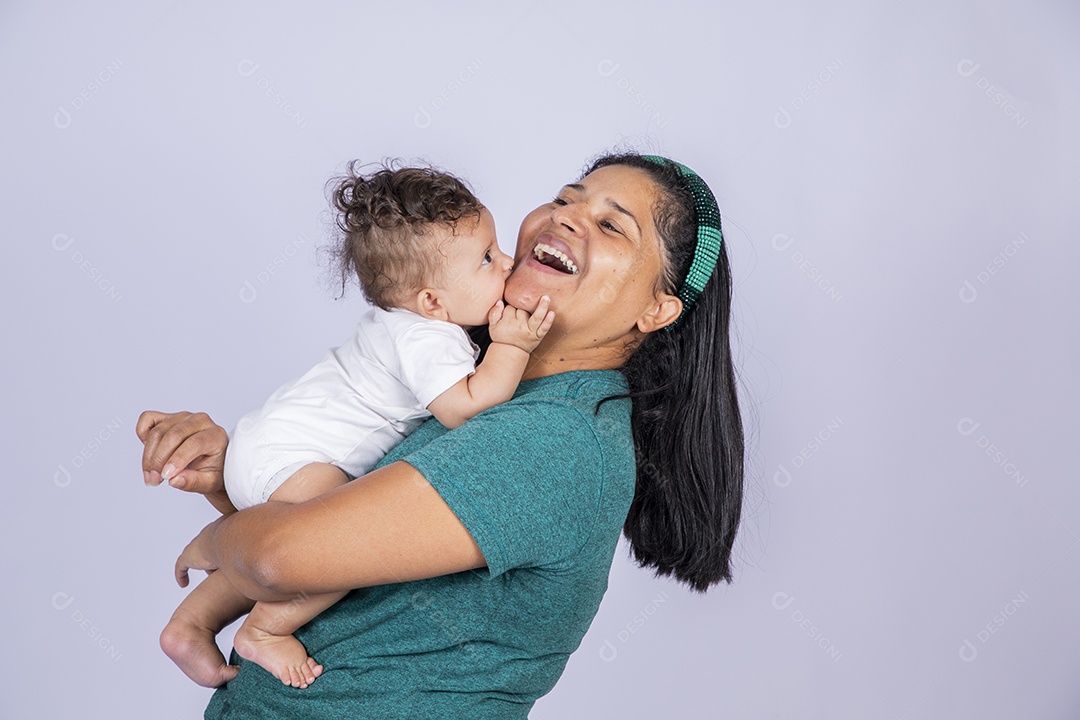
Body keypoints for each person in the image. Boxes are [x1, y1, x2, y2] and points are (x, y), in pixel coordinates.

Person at [138, 152, 745, 719]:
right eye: (565, 199)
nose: (567, 218)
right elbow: (321, 546)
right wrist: (237, 472)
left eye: (613, 226)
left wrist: (218, 537)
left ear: (658, 310)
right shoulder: (471, 390)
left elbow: (276, 558)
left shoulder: (554, 439)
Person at [157, 163, 556, 690]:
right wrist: (513, 346)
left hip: (263, 445)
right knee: (329, 556)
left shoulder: (400, 324)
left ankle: (190, 624)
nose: (506, 264)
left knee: (280, 551)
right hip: (297, 459)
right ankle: (264, 630)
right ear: (431, 301)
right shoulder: (428, 339)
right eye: (487, 259)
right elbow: (465, 408)